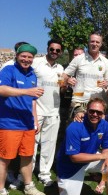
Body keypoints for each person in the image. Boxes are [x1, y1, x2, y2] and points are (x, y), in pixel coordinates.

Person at [0, 44, 45, 195]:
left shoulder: (32, 74)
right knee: (5, 158)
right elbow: (1, 89)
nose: (26, 59)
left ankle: (28, 186)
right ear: (17, 56)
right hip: (9, 123)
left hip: (27, 123)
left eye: (30, 57)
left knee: (27, 156)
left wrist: (35, 120)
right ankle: (0, 189)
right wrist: (27, 91)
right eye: (23, 56)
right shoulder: (9, 70)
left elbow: (32, 100)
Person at [56, 98, 108, 195]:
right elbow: (74, 157)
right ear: (86, 111)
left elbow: (107, 148)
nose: (95, 114)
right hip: (70, 167)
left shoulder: (105, 125)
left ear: (103, 114)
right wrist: (103, 156)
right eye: (92, 111)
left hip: (89, 160)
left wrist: (107, 161)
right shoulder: (74, 127)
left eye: (99, 112)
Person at [30, 39, 64, 186]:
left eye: (57, 50)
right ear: (48, 49)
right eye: (52, 49)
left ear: (60, 52)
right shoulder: (36, 63)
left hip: (53, 111)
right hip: (36, 110)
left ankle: (45, 174)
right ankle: (26, 173)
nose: (54, 52)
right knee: (32, 144)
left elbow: (61, 90)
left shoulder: (61, 68)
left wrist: (66, 86)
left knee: (49, 146)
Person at [63, 31, 108, 117]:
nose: (94, 44)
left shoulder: (106, 62)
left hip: (97, 103)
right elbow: (64, 75)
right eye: (92, 41)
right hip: (79, 101)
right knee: (77, 129)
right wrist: (68, 80)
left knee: (95, 130)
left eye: (97, 42)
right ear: (88, 42)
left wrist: (106, 83)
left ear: (101, 44)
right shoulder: (79, 59)